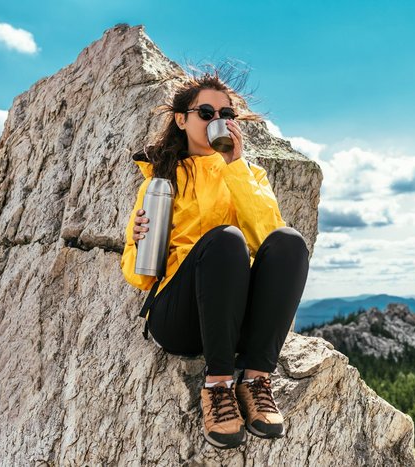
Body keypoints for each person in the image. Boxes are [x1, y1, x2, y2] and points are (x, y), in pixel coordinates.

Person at [120, 68, 310, 450]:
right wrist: (138, 243)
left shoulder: (248, 173)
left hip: (233, 319)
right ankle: (218, 385)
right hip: (181, 318)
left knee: (290, 241)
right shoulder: (160, 181)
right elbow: (139, 276)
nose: (216, 122)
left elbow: (267, 238)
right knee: (225, 240)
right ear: (181, 119)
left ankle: (255, 381)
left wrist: (235, 165)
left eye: (226, 115)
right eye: (206, 113)